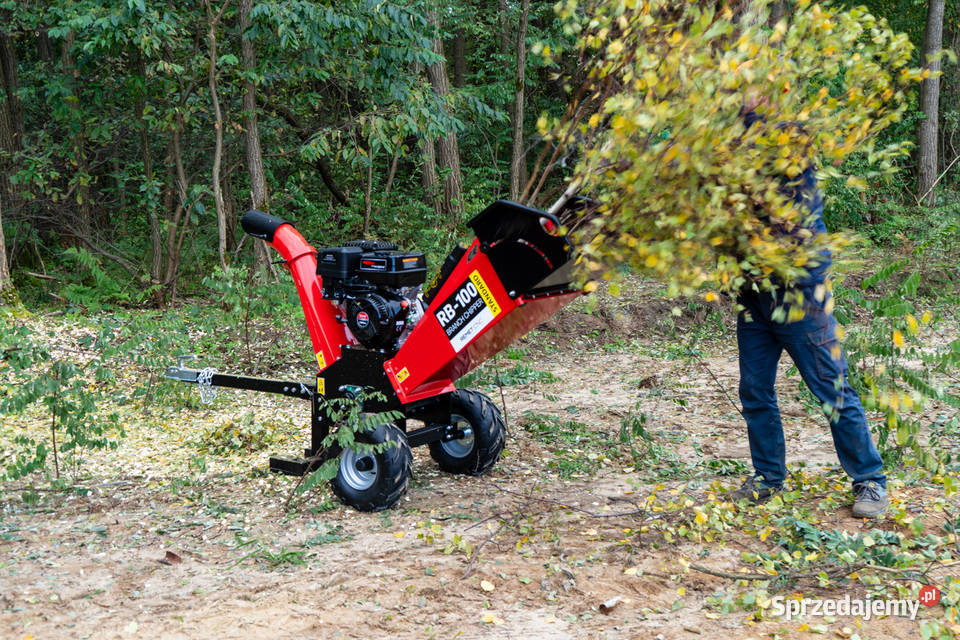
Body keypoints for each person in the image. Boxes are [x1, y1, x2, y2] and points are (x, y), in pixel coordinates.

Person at [728, 98, 888, 519]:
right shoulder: (732, 150)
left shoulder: (790, 147)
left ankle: (870, 479)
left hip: (800, 294)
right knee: (755, 391)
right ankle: (768, 478)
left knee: (832, 391)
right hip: (754, 295)